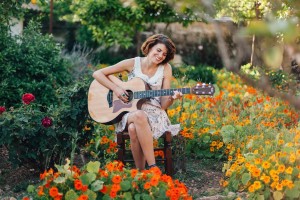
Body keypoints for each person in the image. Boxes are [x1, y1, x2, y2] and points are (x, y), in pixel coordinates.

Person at [93, 34, 182, 170]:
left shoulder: (166, 68)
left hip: (155, 114)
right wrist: (116, 89)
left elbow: (164, 105)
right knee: (139, 115)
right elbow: (98, 74)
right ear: (150, 46)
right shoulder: (133, 63)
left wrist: (171, 98)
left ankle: (141, 173)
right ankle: (153, 167)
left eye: (164, 54)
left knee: (133, 128)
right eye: (158, 50)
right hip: (130, 110)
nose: (160, 56)